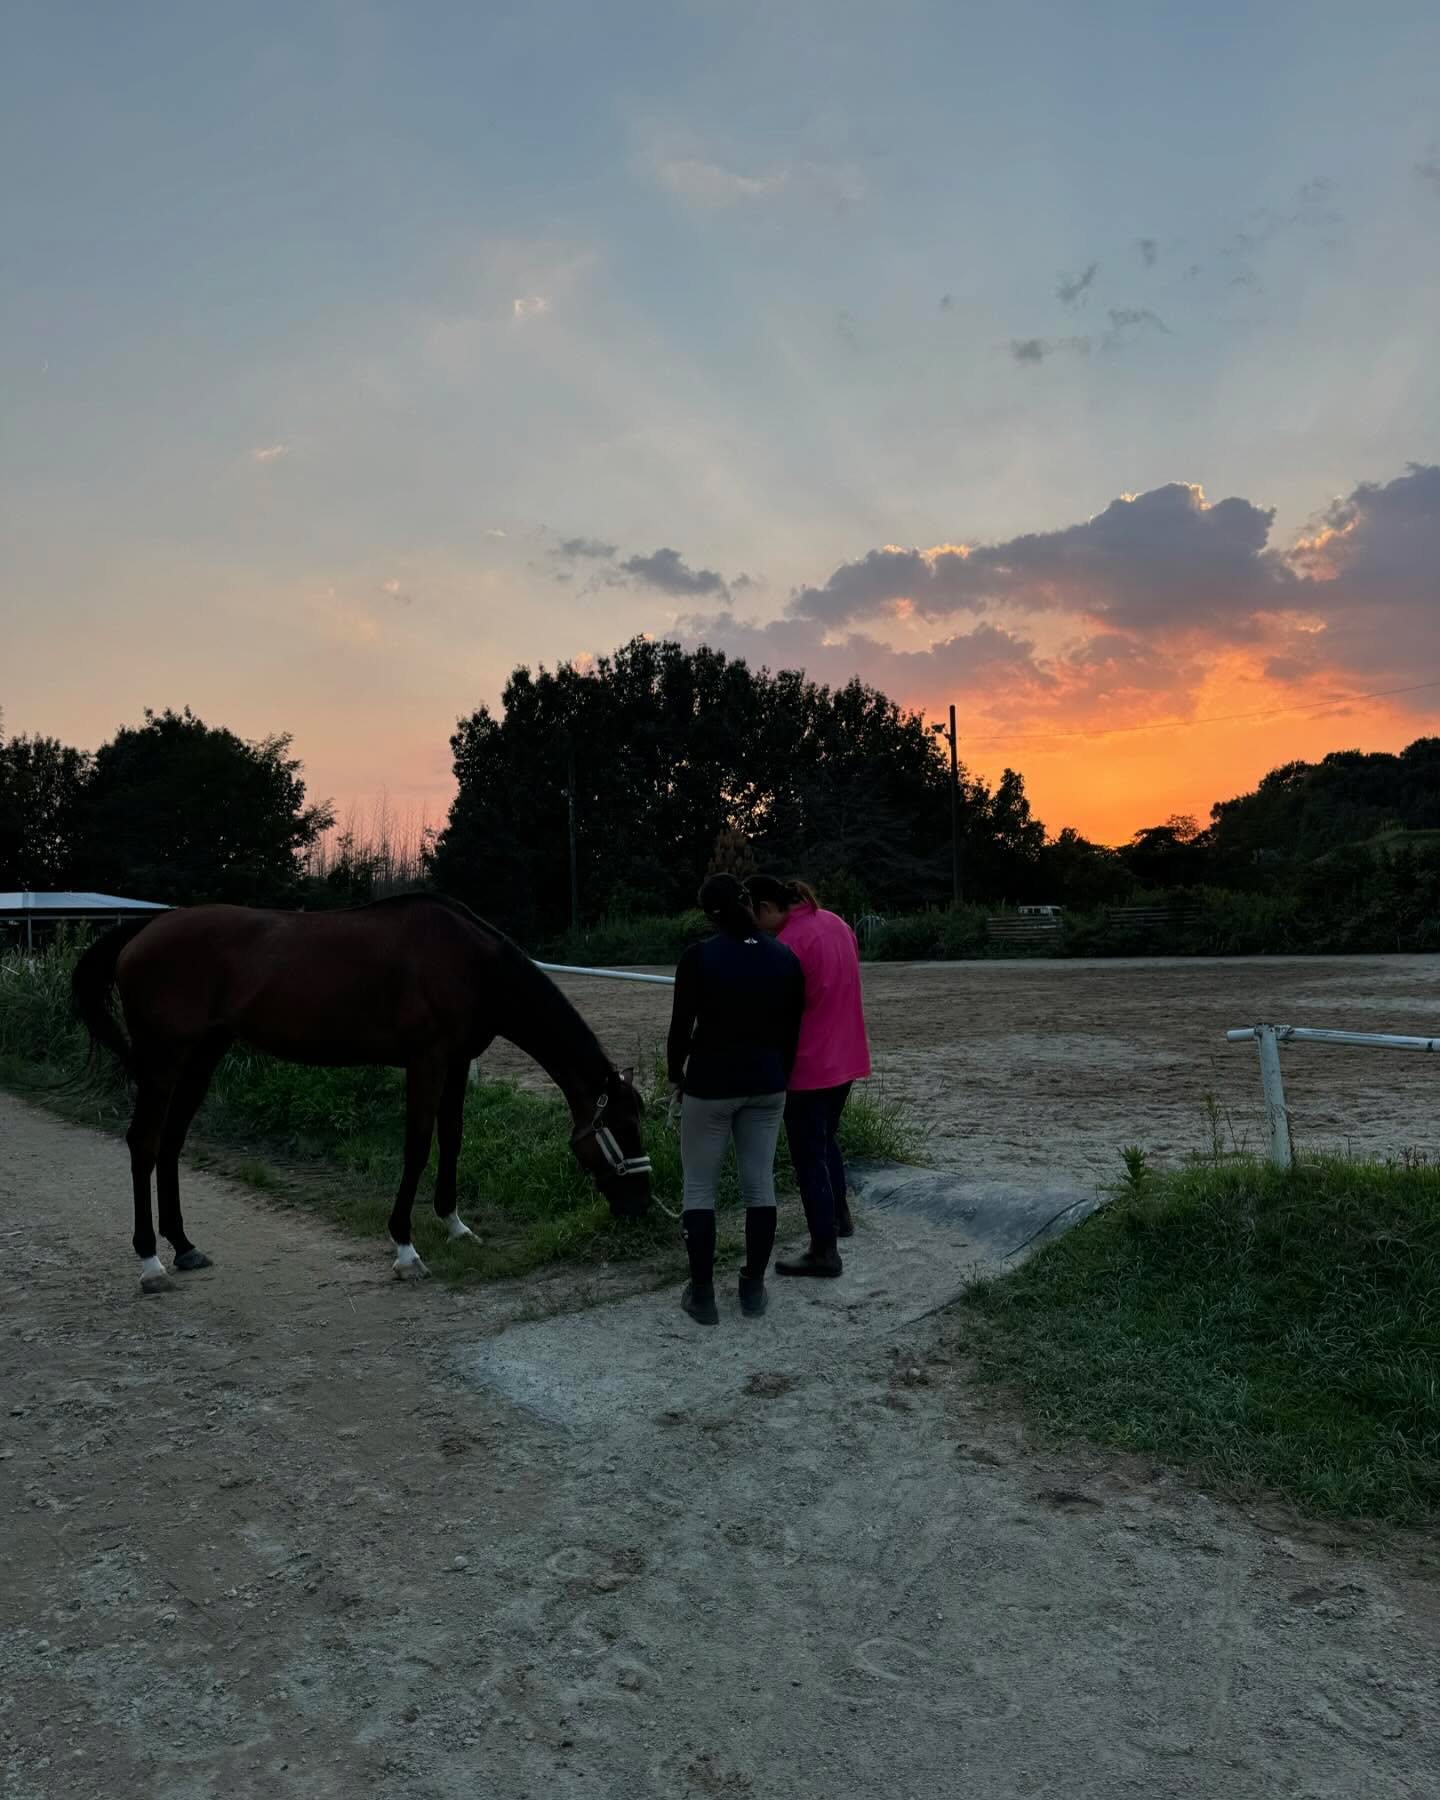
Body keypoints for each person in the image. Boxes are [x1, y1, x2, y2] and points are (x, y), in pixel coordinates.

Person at [666, 873, 806, 1326]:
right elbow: (791, 1029)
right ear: (748, 902)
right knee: (759, 1186)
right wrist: (778, 1074)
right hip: (766, 1083)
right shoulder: (784, 957)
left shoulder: (698, 958)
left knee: (700, 1188)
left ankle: (703, 1293)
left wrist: (675, 1074)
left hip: (711, 1083)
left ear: (709, 913)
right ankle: (753, 1286)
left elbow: (680, 1028)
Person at [745, 875, 871, 1277]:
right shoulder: (837, 923)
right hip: (847, 1058)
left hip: (808, 1067)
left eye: (752, 916)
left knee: (808, 1156)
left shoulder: (785, 945)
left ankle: (824, 1250)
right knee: (825, 1140)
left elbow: (774, 1014)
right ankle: (839, 1217)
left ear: (765, 908)